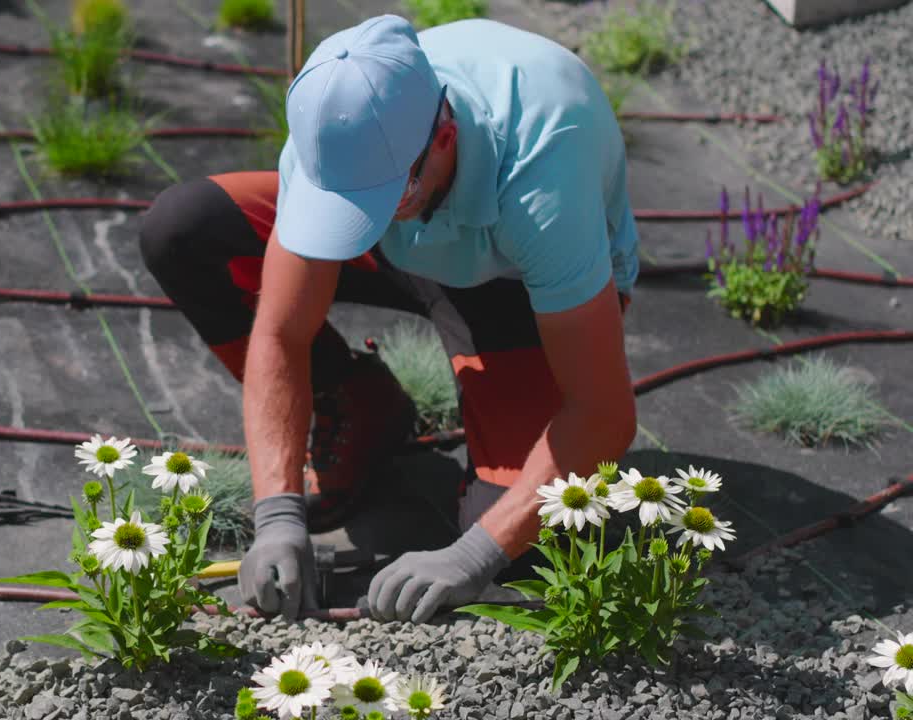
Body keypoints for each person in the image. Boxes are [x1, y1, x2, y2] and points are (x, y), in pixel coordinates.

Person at [138, 14, 639, 623]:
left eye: (381, 197)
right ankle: (361, 399)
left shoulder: (542, 177)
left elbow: (603, 412)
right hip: (416, 239)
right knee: (182, 230)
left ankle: (487, 472)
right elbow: (281, 331)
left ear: (446, 138)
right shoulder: (337, 128)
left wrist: (473, 556)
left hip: (512, 282)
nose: (364, 219)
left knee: (526, 541)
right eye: (346, 204)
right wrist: (276, 516)